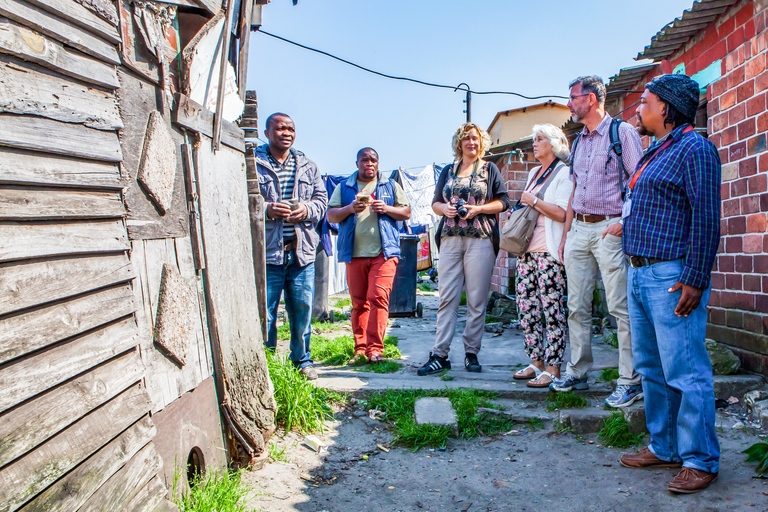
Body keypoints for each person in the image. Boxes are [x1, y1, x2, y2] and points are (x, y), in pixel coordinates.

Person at [619, 74, 721, 494]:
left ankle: (700, 459)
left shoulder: (695, 148)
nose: (637, 110)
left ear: (665, 108)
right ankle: (664, 446)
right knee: (652, 368)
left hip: (672, 277)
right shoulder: (657, 150)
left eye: (644, 102)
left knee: (685, 369)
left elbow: (706, 216)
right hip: (639, 272)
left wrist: (695, 277)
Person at [551, 76, 644, 408]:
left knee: (619, 306)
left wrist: (623, 223)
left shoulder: (623, 134)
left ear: (590, 99)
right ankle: (577, 372)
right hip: (579, 229)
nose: (569, 104)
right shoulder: (578, 141)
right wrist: (566, 236)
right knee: (576, 306)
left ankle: (630, 380)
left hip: (609, 229)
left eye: (573, 98)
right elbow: (575, 189)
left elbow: (640, 182)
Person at [418, 123, 511, 376]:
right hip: (449, 239)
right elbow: (435, 202)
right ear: (459, 143)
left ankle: (471, 353)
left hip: (481, 239)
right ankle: (440, 354)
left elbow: (504, 201)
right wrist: (444, 209)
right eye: (467, 138)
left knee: (476, 299)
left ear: (482, 143)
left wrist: (478, 209)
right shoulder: (449, 170)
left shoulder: (489, 169)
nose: (472, 142)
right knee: (446, 297)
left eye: (476, 138)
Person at [254, 113, 327, 380]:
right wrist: (267, 209)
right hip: (268, 253)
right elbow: (239, 198)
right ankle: (267, 364)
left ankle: (302, 361)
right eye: (280, 128)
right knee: (267, 313)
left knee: (302, 310)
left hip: (301, 251)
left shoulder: (307, 165)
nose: (286, 132)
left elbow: (322, 201)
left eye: (291, 128)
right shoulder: (253, 164)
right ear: (267, 132)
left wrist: (306, 210)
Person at [326, 148, 411, 364]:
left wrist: (387, 208)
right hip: (353, 254)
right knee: (358, 303)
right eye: (365, 160)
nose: (369, 164)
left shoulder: (390, 185)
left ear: (378, 163)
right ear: (357, 163)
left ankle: (375, 349)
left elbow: (407, 212)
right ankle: (360, 349)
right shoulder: (345, 186)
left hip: (384, 253)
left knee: (378, 298)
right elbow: (331, 216)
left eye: (373, 160)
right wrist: (350, 208)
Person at [511, 124, 571, 388]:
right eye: (533, 139)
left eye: (540, 139)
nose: (534, 143)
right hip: (526, 251)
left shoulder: (564, 172)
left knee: (552, 310)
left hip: (548, 252)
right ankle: (535, 362)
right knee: (527, 308)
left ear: (555, 142)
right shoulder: (535, 172)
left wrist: (533, 201)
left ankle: (553, 367)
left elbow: (561, 213)